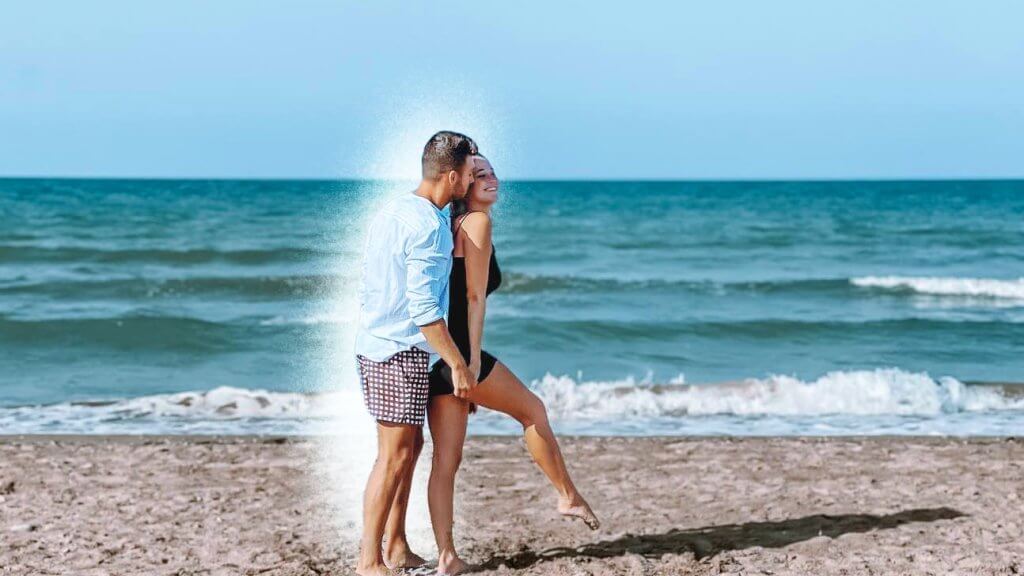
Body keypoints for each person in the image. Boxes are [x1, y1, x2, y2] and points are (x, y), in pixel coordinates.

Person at [426, 155, 600, 575]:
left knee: (445, 464)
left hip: (440, 359)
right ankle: (567, 495)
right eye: (479, 175)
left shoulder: (450, 226)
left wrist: (453, 364)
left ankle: (447, 558)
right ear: (463, 184)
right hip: (463, 356)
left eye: (491, 172)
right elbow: (473, 298)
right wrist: (468, 364)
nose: (490, 179)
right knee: (533, 411)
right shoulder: (477, 224)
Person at [353, 131, 480, 576]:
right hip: (397, 351)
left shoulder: (395, 210)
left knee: (408, 448)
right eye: (468, 173)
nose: (469, 181)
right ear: (451, 175)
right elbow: (424, 310)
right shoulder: (429, 226)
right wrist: (459, 365)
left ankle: (397, 545)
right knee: (393, 458)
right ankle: (369, 561)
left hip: (377, 344)